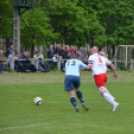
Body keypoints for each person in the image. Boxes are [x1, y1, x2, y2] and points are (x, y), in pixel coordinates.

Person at [87, 46, 119, 112]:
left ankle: (114, 103)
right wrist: (114, 72)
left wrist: (83, 67)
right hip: (104, 75)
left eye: (91, 50)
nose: (90, 51)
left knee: (102, 92)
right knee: (103, 89)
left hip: (98, 76)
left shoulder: (91, 57)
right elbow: (111, 64)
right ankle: (111, 98)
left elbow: (89, 67)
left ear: (94, 51)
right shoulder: (103, 57)